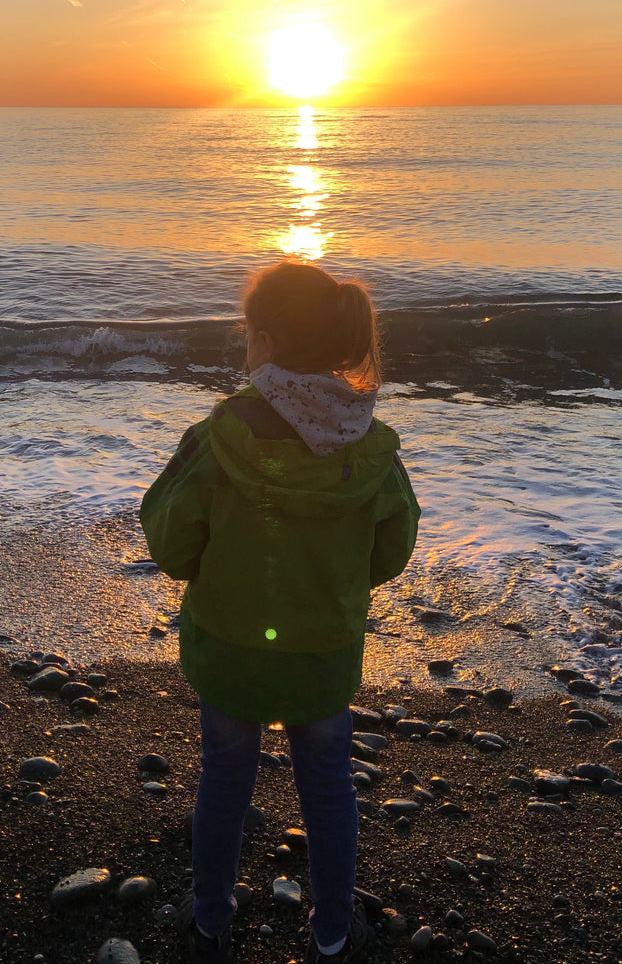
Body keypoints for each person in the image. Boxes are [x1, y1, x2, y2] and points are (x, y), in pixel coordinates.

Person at [140, 260, 420, 963]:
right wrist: (336, 583)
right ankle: (330, 932)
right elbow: (394, 546)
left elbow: (172, 540)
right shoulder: (372, 444)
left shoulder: (220, 435)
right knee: (328, 786)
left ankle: (210, 919)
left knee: (224, 778)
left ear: (262, 337)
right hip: (321, 653)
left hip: (231, 647)